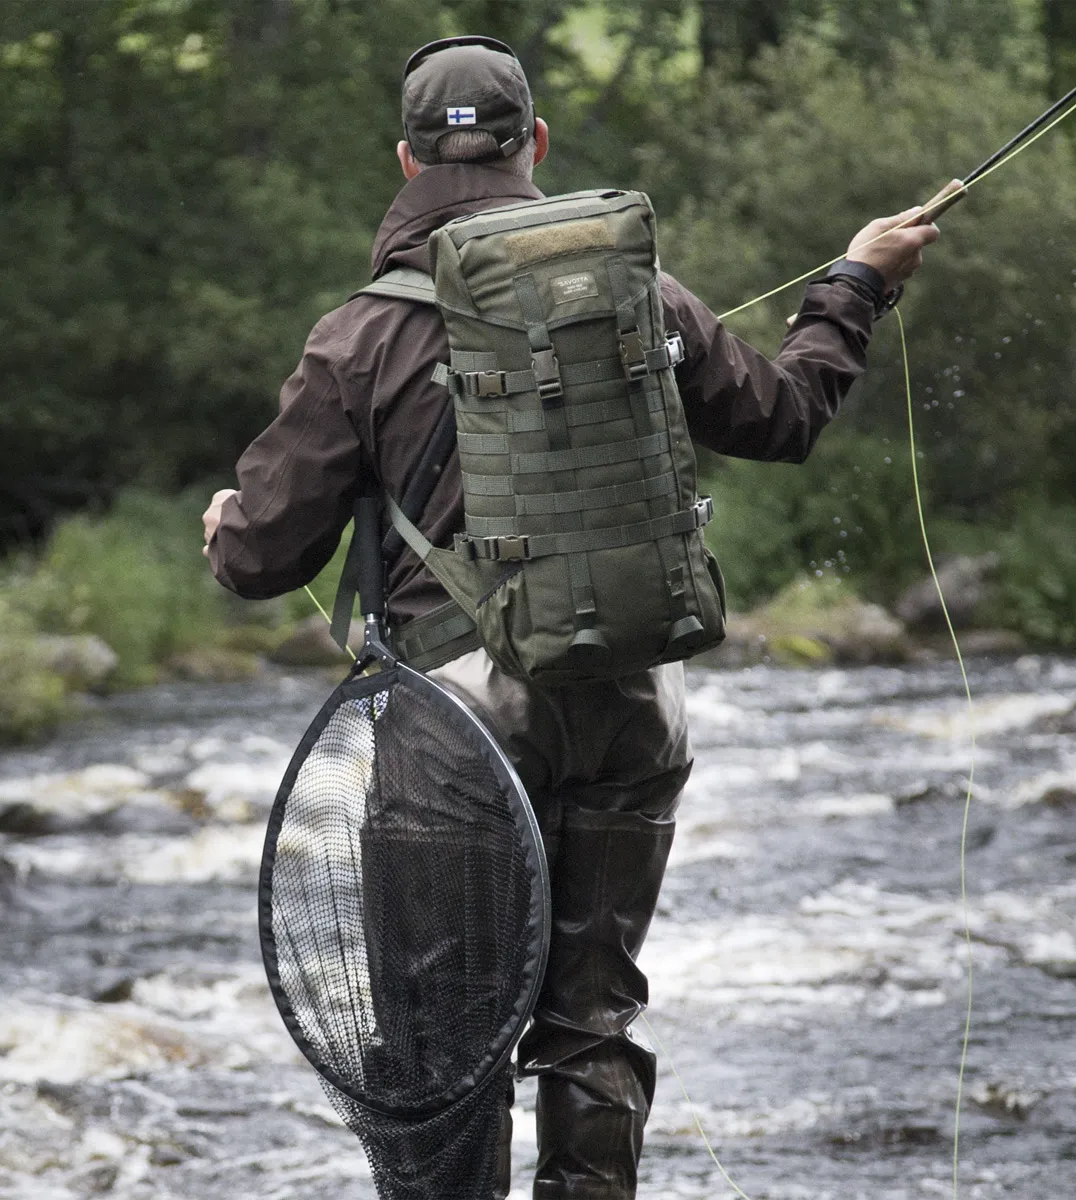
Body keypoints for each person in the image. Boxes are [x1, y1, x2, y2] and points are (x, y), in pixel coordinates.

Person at [203, 35, 945, 1200]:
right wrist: (856, 281)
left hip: (453, 735)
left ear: (406, 160)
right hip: (634, 708)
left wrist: (223, 526)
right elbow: (787, 415)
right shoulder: (638, 291)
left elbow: (259, 559)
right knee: (591, 1025)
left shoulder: (359, 336)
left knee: (444, 1058)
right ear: (535, 143)